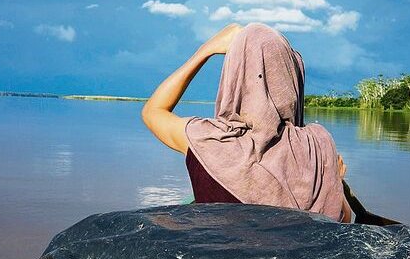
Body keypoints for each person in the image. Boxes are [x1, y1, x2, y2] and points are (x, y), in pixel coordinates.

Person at [141, 22, 352, 223]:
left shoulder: (208, 139)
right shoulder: (318, 146)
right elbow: (343, 218)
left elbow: (152, 111)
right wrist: (334, 180)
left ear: (235, 77)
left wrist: (206, 50)